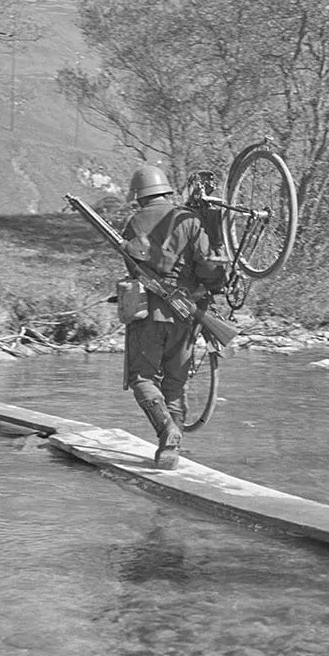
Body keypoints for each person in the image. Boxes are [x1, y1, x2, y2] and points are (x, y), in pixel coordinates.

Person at [119, 163, 228, 470]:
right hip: (187, 316)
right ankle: (171, 450)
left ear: (140, 195)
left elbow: (133, 268)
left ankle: (167, 432)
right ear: (165, 189)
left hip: (147, 315)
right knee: (175, 385)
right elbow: (208, 266)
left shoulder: (133, 223)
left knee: (142, 378)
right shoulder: (190, 219)